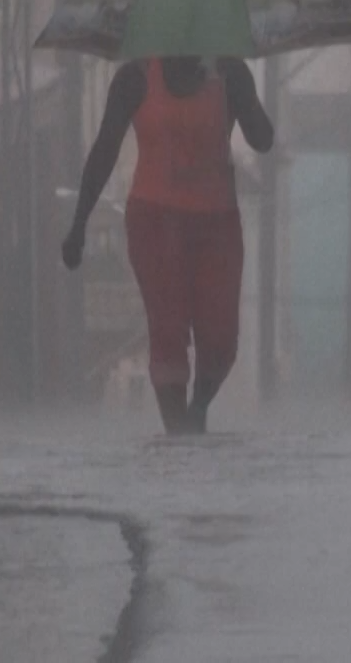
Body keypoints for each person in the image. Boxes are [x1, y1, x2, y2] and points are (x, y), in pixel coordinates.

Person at [61, 55, 274, 435]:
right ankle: (178, 433)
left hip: (217, 222)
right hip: (155, 221)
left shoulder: (228, 72)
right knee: (167, 329)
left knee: (222, 338)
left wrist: (245, 95)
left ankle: (198, 407)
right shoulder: (135, 77)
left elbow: (262, 139)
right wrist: (79, 222)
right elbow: (105, 149)